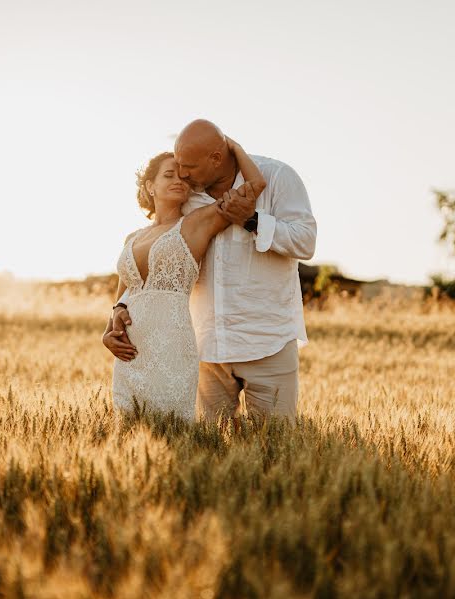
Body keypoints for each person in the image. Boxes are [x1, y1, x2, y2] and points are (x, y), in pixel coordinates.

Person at [106, 120, 317, 424]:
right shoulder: (187, 197)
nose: (183, 176)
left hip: (266, 341)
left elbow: (305, 241)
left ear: (217, 158)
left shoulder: (278, 177)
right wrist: (119, 307)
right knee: (205, 444)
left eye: (187, 167)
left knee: (276, 442)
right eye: (176, 170)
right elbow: (148, 269)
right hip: (204, 347)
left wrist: (253, 220)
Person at [104, 139, 265, 422]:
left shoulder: (197, 223)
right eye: (168, 175)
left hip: (172, 348)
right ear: (149, 186)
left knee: (174, 430)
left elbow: (255, 186)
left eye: (182, 176)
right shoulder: (132, 238)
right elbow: (124, 293)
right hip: (130, 353)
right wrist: (112, 323)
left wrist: (233, 148)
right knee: (128, 429)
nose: (178, 180)